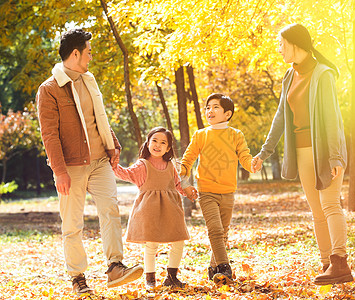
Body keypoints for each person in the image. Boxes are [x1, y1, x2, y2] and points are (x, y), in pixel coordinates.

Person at [36, 28, 143, 296]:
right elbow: (49, 135)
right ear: (76, 53)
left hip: (99, 162)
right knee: (72, 224)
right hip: (70, 167)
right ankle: (78, 277)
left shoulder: (89, 79)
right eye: (89, 52)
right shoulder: (49, 89)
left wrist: (113, 144)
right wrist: (59, 171)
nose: (91, 57)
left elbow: (100, 117)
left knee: (110, 210)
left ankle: (115, 267)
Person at [252, 24, 354, 285]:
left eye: (282, 44)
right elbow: (280, 118)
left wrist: (334, 157)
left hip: (324, 152)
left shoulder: (323, 75)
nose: (279, 49)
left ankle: (340, 262)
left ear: (296, 44)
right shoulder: (289, 75)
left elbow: (333, 119)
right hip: (301, 151)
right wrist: (264, 153)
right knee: (317, 211)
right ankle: (326, 264)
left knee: (330, 205)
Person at [180, 93, 254, 285]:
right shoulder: (201, 135)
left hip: (228, 191)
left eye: (215, 107)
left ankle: (213, 268)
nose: (209, 111)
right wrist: (180, 173)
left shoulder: (236, 135)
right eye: (208, 107)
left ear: (227, 114)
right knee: (215, 229)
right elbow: (187, 160)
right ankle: (224, 266)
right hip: (206, 191)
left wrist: (252, 164)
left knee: (223, 232)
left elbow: (245, 157)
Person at [112, 127, 191, 290]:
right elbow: (126, 174)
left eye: (163, 142)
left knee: (178, 241)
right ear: (147, 143)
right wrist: (113, 164)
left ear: (168, 148)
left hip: (171, 210)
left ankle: (172, 277)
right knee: (151, 244)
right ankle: (150, 278)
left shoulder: (170, 165)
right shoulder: (143, 165)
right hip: (149, 210)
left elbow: (177, 185)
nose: (158, 145)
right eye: (154, 141)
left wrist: (188, 191)